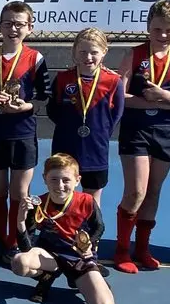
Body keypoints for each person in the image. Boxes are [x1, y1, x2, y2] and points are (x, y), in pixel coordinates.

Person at [114, 0, 170, 274]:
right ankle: (122, 249)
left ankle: (142, 248)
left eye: (169, 30)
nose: (163, 35)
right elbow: (119, 97)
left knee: (153, 192)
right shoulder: (134, 55)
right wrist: (150, 103)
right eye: (157, 29)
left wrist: (165, 97)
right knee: (136, 191)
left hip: (167, 130)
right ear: (148, 28)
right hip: (136, 129)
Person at [0, 1, 50, 261]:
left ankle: (15, 240)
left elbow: (45, 96)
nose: (13, 29)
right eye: (8, 23)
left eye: (19, 24)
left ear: (30, 28)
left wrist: (26, 105)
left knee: (19, 194)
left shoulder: (35, 58)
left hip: (23, 134)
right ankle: (0, 240)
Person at [12, 154, 115, 304]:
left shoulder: (87, 201)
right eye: (54, 179)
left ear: (77, 180)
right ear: (45, 179)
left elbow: (99, 227)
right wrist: (20, 221)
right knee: (20, 263)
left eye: (66, 180)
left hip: (79, 258)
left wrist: (90, 243)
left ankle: (85, 280)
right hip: (51, 257)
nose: (59, 185)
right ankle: (48, 275)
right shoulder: (38, 204)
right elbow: (27, 247)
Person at [47, 29, 124, 210]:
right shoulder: (62, 79)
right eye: (82, 52)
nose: (88, 57)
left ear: (104, 52)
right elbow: (53, 110)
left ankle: (89, 236)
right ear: (74, 52)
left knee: (92, 195)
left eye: (94, 52)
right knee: (61, 192)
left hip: (95, 149)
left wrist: (99, 131)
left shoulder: (113, 82)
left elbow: (116, 115)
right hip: (65, 146)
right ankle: (61, 235)